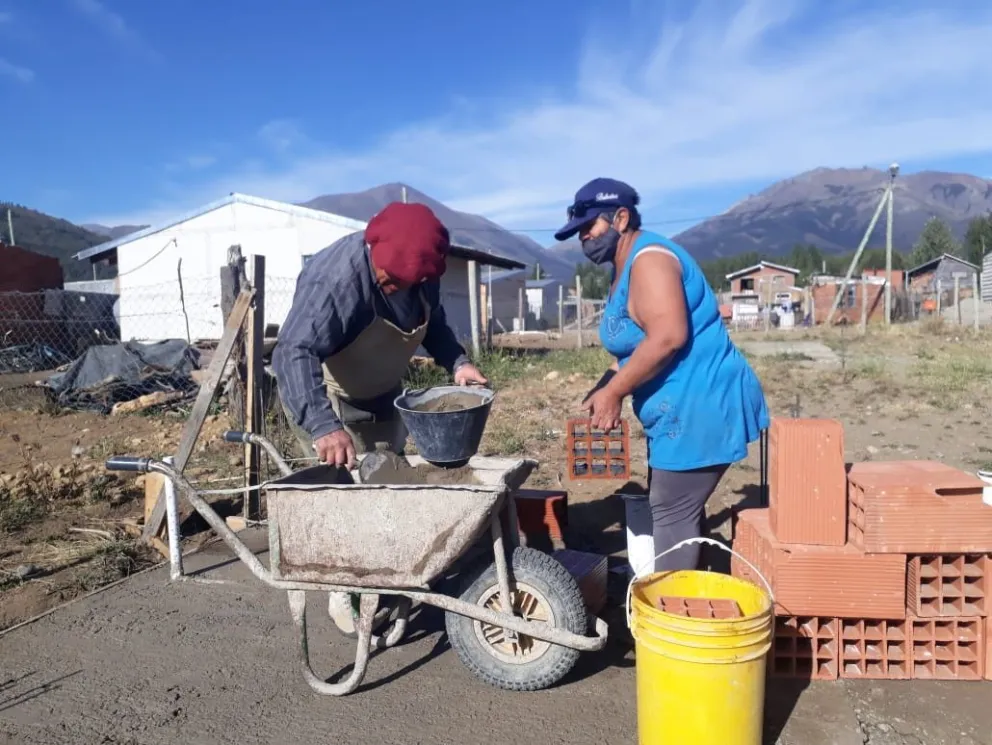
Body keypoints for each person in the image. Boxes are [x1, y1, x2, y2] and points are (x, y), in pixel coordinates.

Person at [272, 200, 488, 636]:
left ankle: (388, 578)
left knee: (388, 487)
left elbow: (435, 325)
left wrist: (458, 362)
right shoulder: (335, 280)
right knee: (346, 503)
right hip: (327, 399)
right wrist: (323, 426)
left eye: (402, 281)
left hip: (382, 393)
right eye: (386, 277)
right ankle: (347, 594)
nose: (391, 284)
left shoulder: (423, 275)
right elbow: (292, 351)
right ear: (373, 248)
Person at [556, 178, 769, 573]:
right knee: (677, 506)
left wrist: (616, 392)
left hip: (700, 402)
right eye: (578, 232)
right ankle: (693, 588)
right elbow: (636, 345)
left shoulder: (650, 260)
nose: (584, 237)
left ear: (621, 218)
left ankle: (673, 604)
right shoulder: (626, 266)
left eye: (590, 226)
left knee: (672, 511)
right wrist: (604, 385)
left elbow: (668, 336)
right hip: (678, 410)